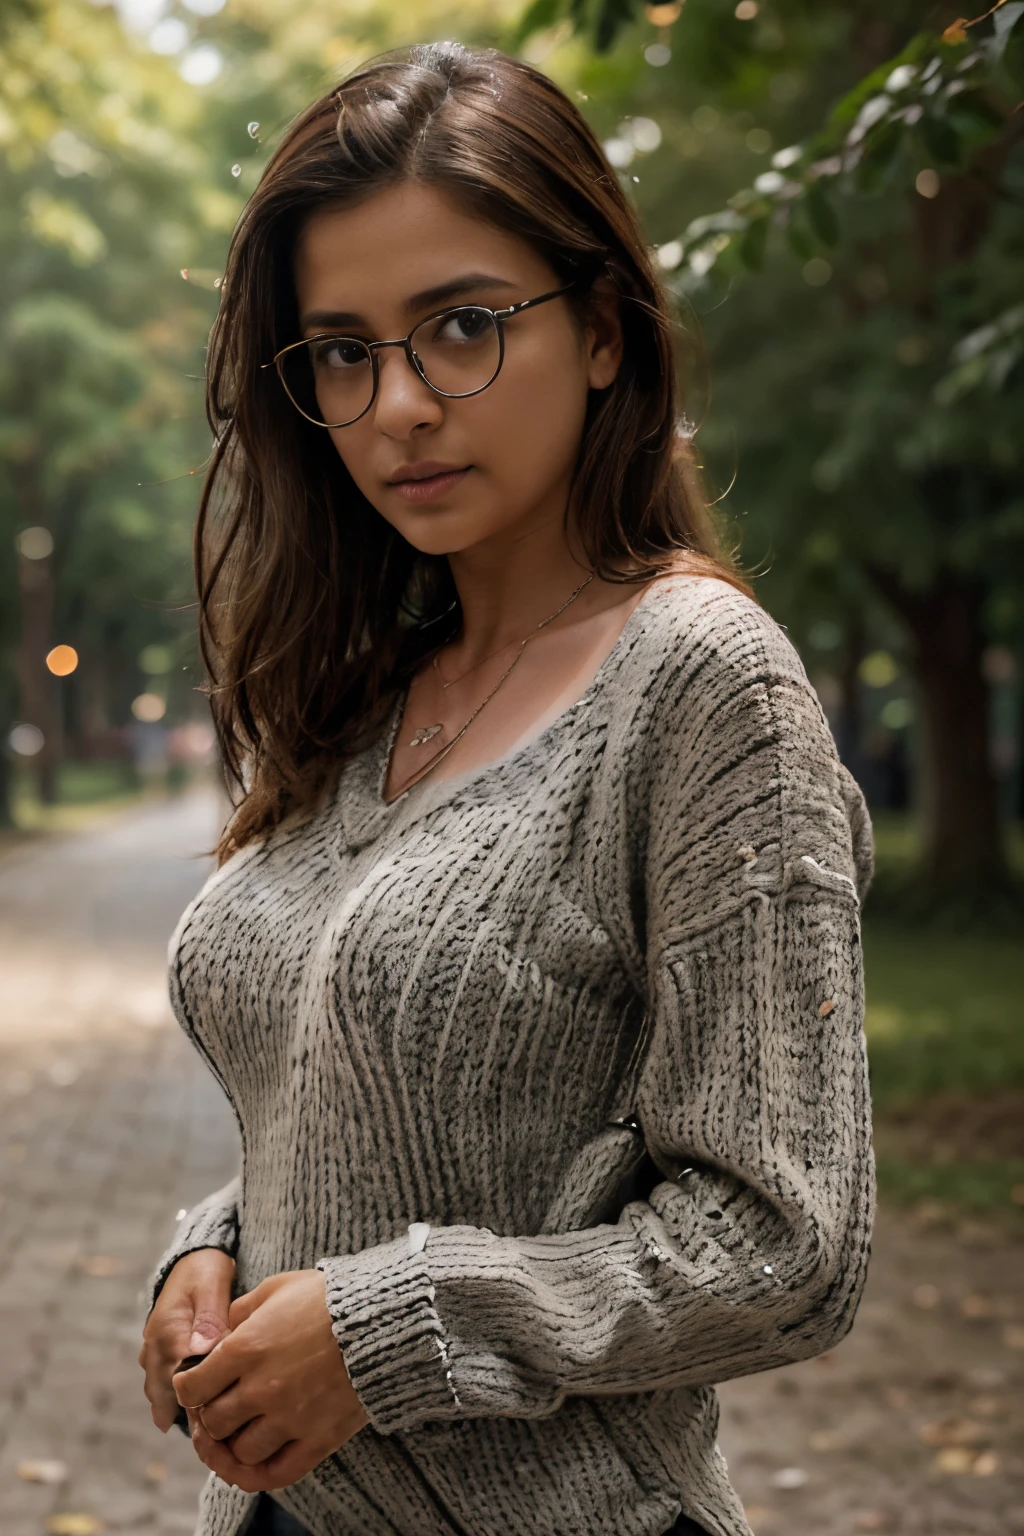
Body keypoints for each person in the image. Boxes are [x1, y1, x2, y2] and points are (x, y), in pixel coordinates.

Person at [137, 39, 876, 1536]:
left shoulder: (699, 686)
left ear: (604, 329)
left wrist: (379, 1332)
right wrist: (212, 1251)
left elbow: (789, 1241)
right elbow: (372, 1091)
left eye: (460, 327)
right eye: (342, 351)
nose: (398, 402)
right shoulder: (362, 690)